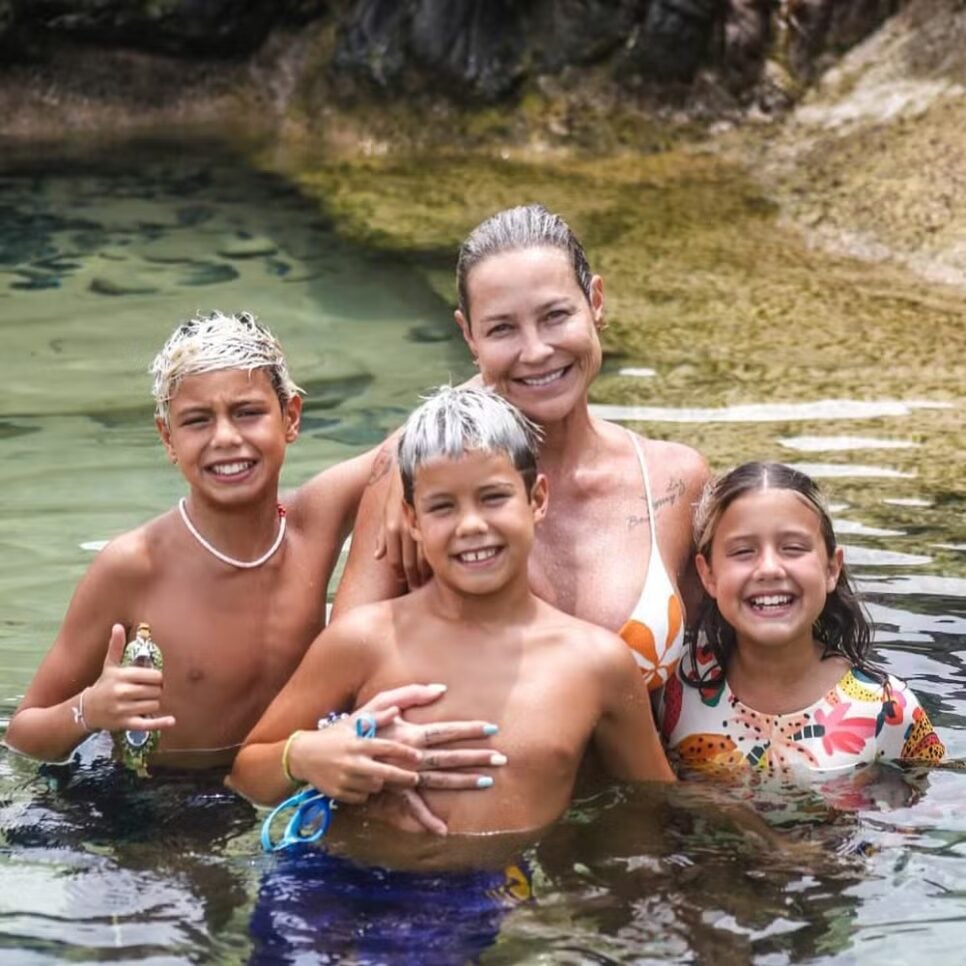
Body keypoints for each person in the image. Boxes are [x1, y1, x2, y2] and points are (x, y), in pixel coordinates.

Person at [4, 312, 497, 782]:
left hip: (277, 778)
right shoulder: (134, 565)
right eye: (197, 420)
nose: (226, 438)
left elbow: (410, 437)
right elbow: (23, 733)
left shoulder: (313, 521)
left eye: (247, 413)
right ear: (167, 438)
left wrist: (511, 362)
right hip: (144, 797)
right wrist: (89, 710)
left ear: (291, 417)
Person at [228, 385, 674, 856]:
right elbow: (246, 775)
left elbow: (649, 803)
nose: (471, 526)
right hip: (332, 886)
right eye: (443, 506)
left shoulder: (596, 664)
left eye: (493, 498)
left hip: (494, 898)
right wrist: (305, 755)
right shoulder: (363, 641)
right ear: (411, 519)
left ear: (537, 499)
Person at [334, 203, 709, 693]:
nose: (535, 351)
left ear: (595, 301)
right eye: (502, 329)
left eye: (555, 316)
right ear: (469, 335)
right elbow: (339, 683)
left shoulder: (673, 480)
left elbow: (716, 685)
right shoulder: (416, 477)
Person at [660, 461, 946, 774]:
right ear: (708, 574)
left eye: (793, 548)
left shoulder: (888, 709)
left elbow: (928, 808)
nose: (769, 568)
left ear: (831, 569)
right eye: (743, 551)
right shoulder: (675, 689)